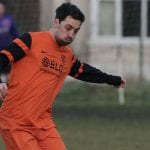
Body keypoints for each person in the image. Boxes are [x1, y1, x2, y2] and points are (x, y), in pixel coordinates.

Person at [0, 3, 126, 150]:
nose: (71, 34)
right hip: (15, 121)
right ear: (56, 22)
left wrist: (110, 79)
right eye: (68, 28)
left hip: (43, 123)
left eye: (76, 31)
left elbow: (83, 71)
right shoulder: (30, 40)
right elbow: (3, 58)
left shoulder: (67, 55)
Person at [0, 1, 19, 84]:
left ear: (4, 9)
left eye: (1, 8)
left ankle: (9, 89)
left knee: (9, 73)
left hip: (8, 51)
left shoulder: (9, 20)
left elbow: (15, 34)